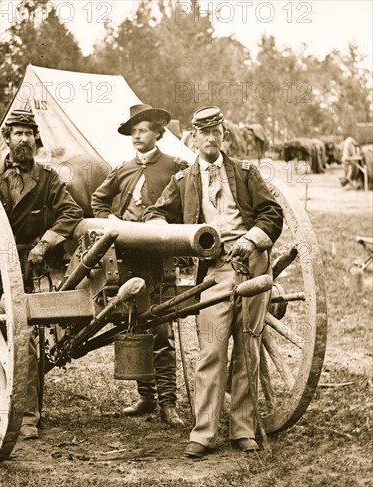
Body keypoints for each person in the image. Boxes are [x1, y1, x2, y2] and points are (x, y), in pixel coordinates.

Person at [143, 106, 283, 458]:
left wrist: (251, 239)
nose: (210, 138)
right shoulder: (183, 181)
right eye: (203, 132)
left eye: (215, 131)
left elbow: (272, 212)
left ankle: (243, 429)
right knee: (211, 351)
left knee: (247, 348)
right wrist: (171, 235)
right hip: (214, 274)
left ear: (223, 134)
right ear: (193, 136)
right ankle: (204, 432)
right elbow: (155, 214)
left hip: (252, 266)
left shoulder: (246, 173)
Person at [0, 109, 83, 439]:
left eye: (28, 134)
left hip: (29, 265)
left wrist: (45, 244)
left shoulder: (47, 179)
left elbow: (71, 211)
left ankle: (29, 416)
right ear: (6, 139)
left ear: (35, 140)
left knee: (28, 341)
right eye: (17, 133)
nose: (23, 139)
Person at [91, 104, 188, 427]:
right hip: (130, 259)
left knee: (161, 329)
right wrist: (112, 222)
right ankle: (146, 396)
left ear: (158, 133)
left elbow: (188, 204)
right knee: (136, 324)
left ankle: (168, 403)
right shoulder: (122, 169)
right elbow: (98, 201)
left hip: (160, 259)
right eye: (133, 132)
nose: (137, 136)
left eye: (143, 130)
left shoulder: (176, 167)